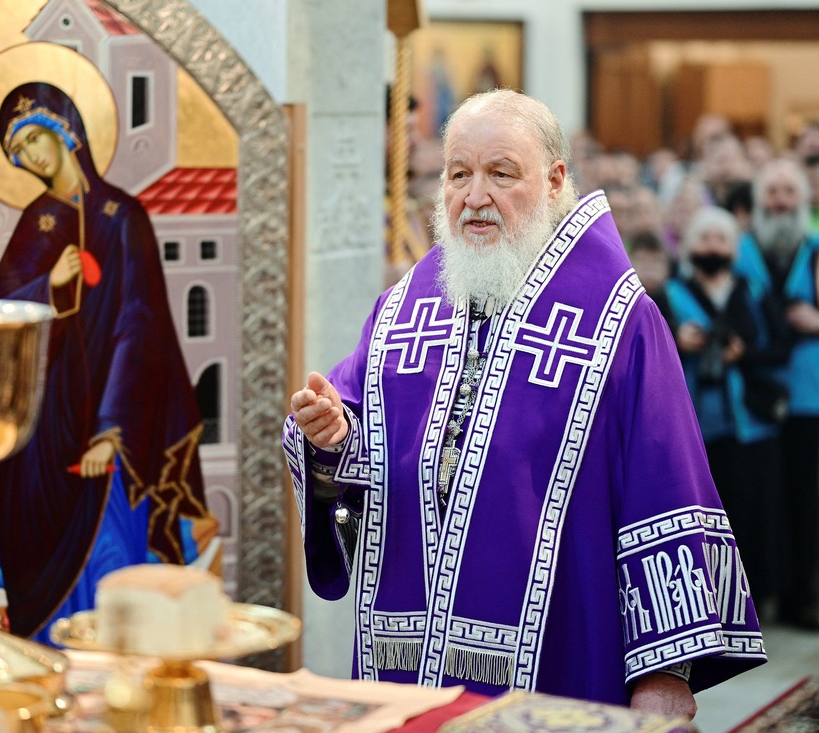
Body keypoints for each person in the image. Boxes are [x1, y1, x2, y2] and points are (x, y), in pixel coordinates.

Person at [284, 90, 766, 716]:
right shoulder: (403, 310)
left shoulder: (618, 322)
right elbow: (351, 434)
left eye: (501, 173)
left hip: (556, 663)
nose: (474, 196)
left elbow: (665, 492)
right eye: (458, 174)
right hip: (405, 675)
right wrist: (329, 437)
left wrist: (664, 676)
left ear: (555, 180)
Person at [0, 82, 217, 641]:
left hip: (110, 430)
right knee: (38, 583)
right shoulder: (36, 221)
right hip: (42, 435)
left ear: (67, 131)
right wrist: (49, 284)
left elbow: (140, 326)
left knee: (112, 568)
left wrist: (112, 431)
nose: (33, 158)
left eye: (36, 139)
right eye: (20, 153)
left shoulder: (122, 216)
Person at [664, 207, 791, 616]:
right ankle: (709, 608)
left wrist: (743, 353)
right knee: (704, 518)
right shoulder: (668, 293)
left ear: (733, 248)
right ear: (688, 247)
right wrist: (677, 342)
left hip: (751, 425)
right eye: (704, 239)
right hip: (695, 428)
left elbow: (780, 347)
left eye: (721, 239)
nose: (712, 247)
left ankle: (752, 606)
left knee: (754, 514)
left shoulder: (752, 291)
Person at [734, 157, 819, 629]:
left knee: (807, 502)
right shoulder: (738, 249)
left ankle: (801, 597)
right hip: (753, 398)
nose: (781, 201)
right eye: (773, 192)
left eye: (789, 192)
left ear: (802, 202)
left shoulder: (817, 249)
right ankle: (758, 597)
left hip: (809, 394)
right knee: (761, 498)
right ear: (760, 201)